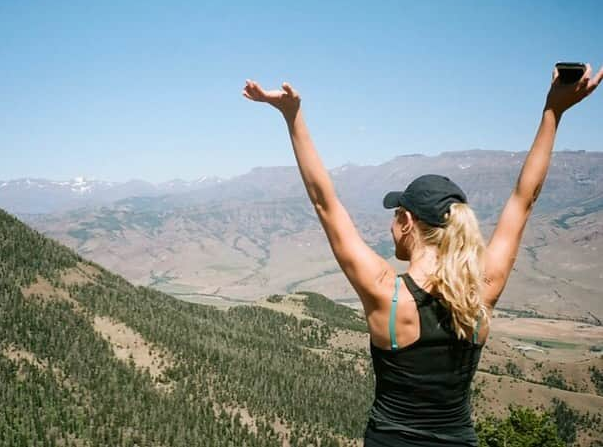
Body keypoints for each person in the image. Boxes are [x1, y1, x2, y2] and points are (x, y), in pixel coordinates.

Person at [243, 63, 602, 446]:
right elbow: (523, 200)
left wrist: (293, 117)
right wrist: (553, 112)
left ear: (408, 222)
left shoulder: (388, 295)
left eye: (395, 215)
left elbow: (324, 204)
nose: (392, 226)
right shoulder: (480, 293)